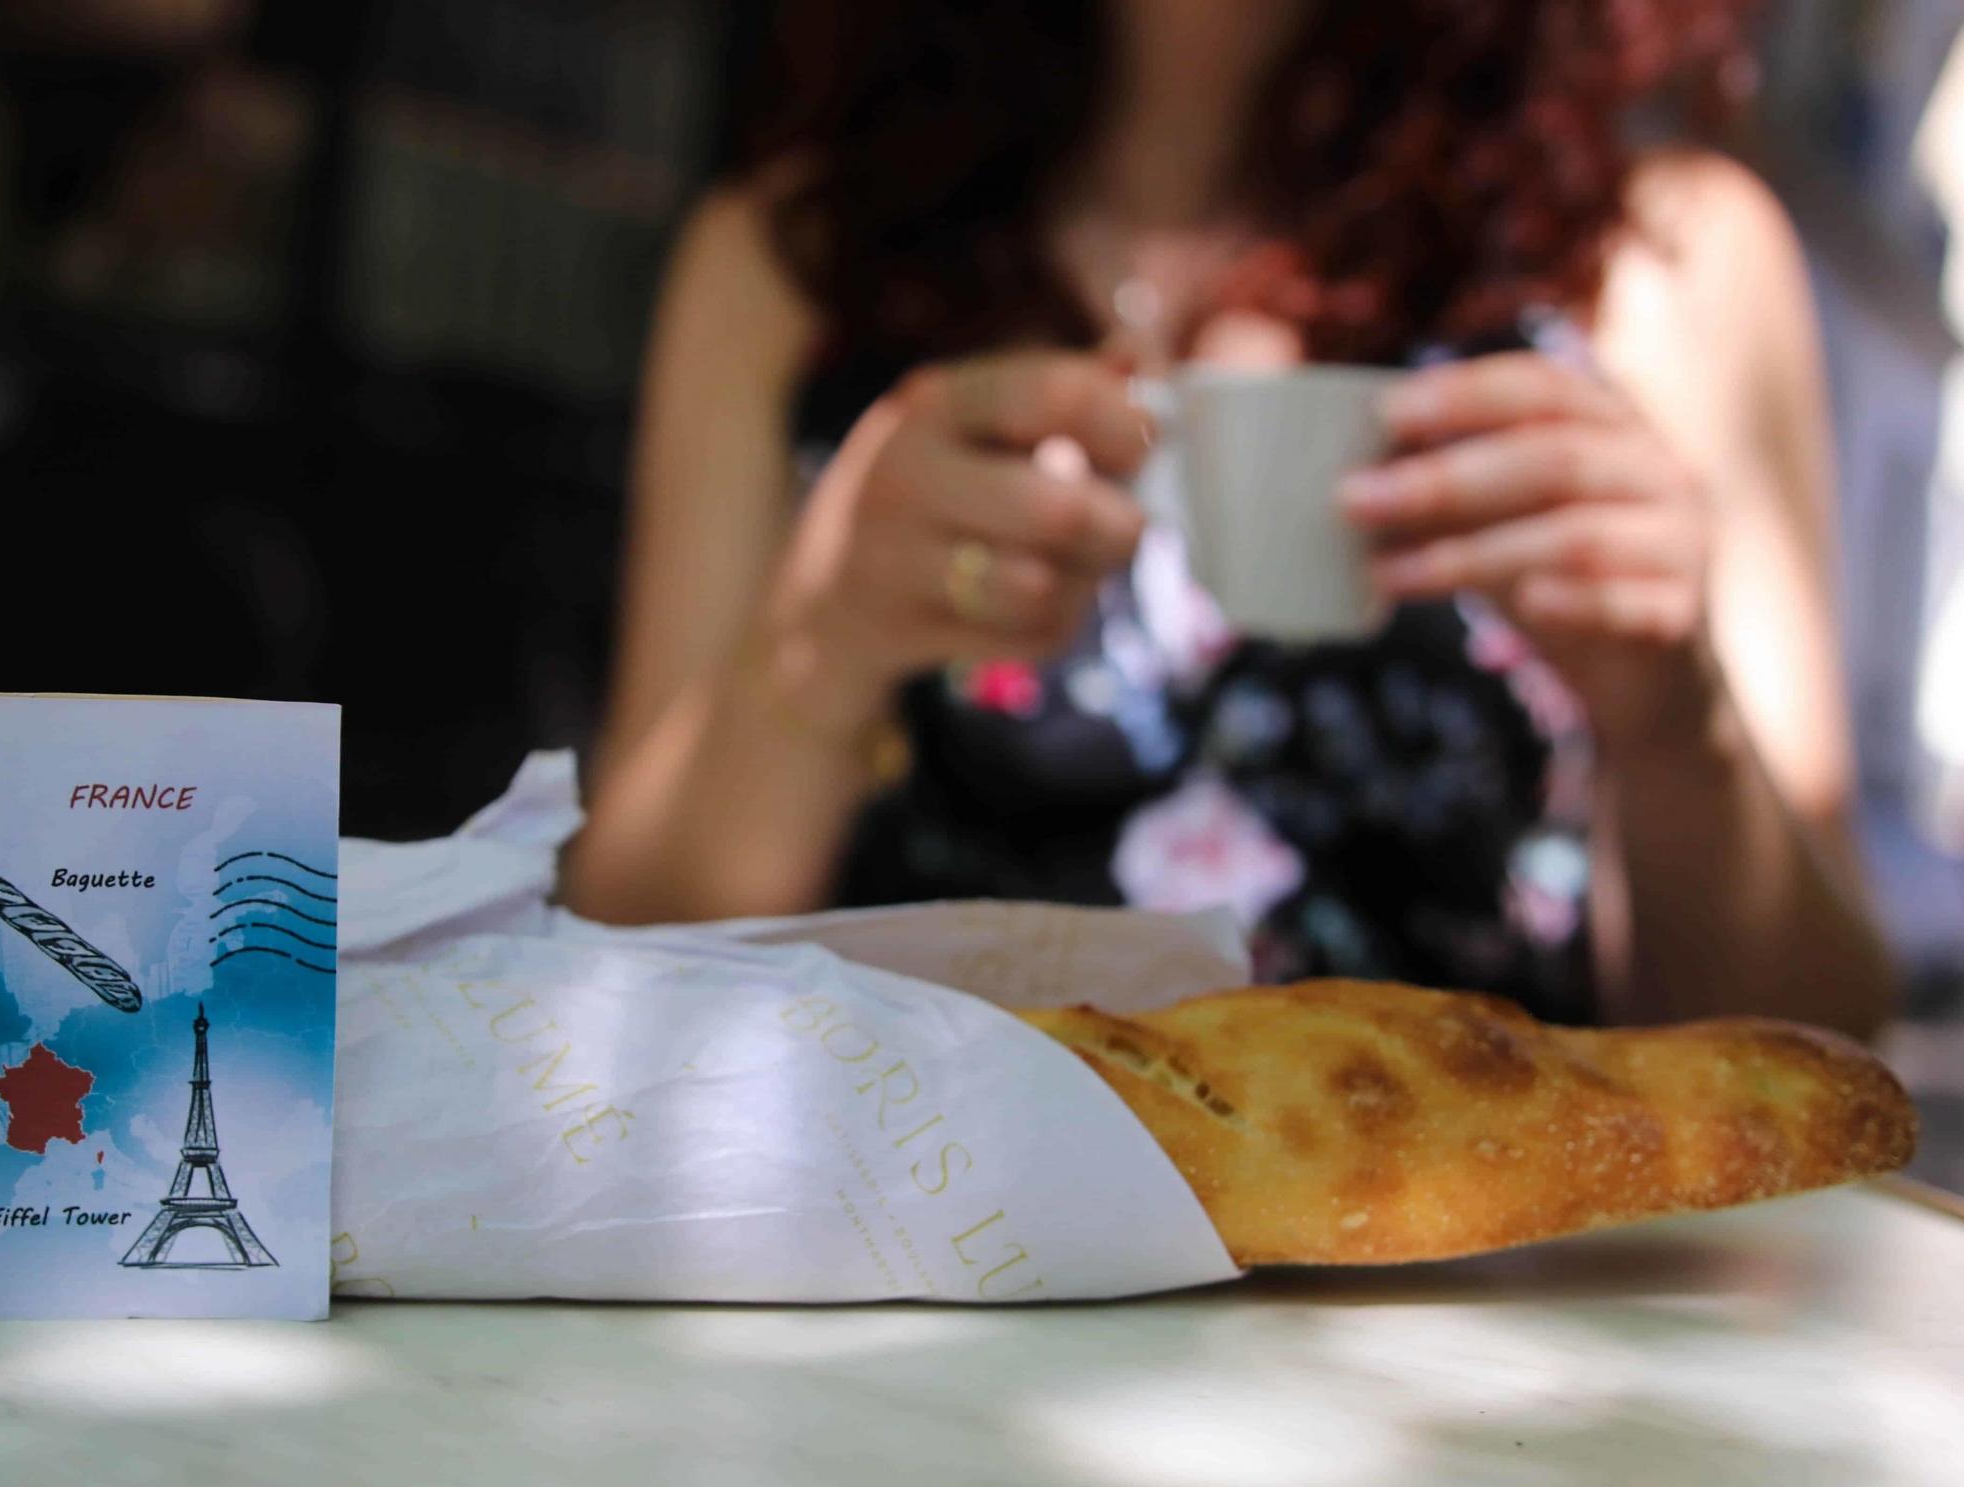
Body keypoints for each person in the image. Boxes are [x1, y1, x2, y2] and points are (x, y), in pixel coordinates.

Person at [563, 0, 1899, 1036]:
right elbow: (612, 976)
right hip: (930, 1272)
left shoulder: (1667, 266)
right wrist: (819, 652)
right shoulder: (787, 268)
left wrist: (1677, 721)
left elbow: (1819, 1036)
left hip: (1466, 1298)